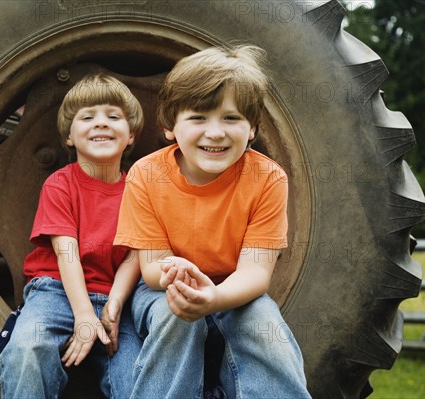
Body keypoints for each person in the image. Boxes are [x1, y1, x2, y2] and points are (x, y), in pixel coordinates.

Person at [114, 46, 311, 398]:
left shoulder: (268, 179)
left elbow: (255, 273)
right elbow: (153, 270)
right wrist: (185, 281)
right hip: (165, 287)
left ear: (252, 129)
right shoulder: (146, 175)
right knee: (176, 317)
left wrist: (215, 298)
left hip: (235, 287)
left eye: (231, 118)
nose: (216, 132)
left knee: (264, 324)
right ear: (170, 127)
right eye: (199, 117)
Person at [0, 74, 144, 398]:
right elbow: (67, 253)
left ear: (131, 134)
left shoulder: (139, 190)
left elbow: (136, 255)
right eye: (88, 117)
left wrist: (113, 308)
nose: (101, 124)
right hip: (56, 291)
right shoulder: (60, 185)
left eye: (113, 116)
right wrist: (82, 315)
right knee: (28, 348)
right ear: (68, 137)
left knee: (137, 373)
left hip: (117, 298)